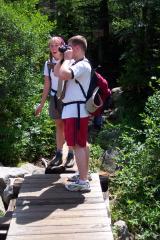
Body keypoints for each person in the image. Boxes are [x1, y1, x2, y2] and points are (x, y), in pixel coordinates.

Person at [56, 35, 91, 192]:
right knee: (80, 144)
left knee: (78, 145)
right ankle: (83, 174)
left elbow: (64, 75)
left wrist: (68, 60)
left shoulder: (82, 65)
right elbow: (58, 72)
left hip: (76, 110)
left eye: (69, 47)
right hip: (73, 110)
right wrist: (63, 58)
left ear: (77, 48)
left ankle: (83, 182)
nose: (67, 50)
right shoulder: (74, 64)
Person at [35, 36, 74, 168]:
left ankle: (71, 153)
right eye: (51, 45)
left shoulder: (71, 61)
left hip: (69, 97)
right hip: (54, 97)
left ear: (62, 45)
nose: (53, 48)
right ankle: (59, 153)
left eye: (56, 45)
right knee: (59, 125)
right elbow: (47, 84)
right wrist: (41, 104)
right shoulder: (48, 63)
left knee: (69, 124)